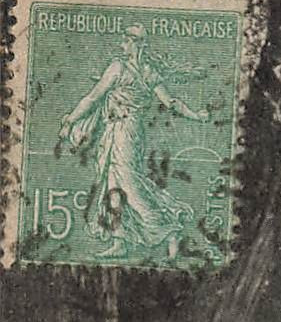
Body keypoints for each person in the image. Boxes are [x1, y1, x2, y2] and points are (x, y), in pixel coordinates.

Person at [58, 25, 211, 260]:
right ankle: (121, 240)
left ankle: (168, 229)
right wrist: (195, 115)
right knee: (114, 184)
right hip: (125, 132)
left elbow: (92, 98)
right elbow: (170, 102)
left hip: (124, 133)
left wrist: (71, 119)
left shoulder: (120, 68)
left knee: (128, 184)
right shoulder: (146, 71)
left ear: (136, 44)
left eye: (127, 40)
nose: (123, 44)